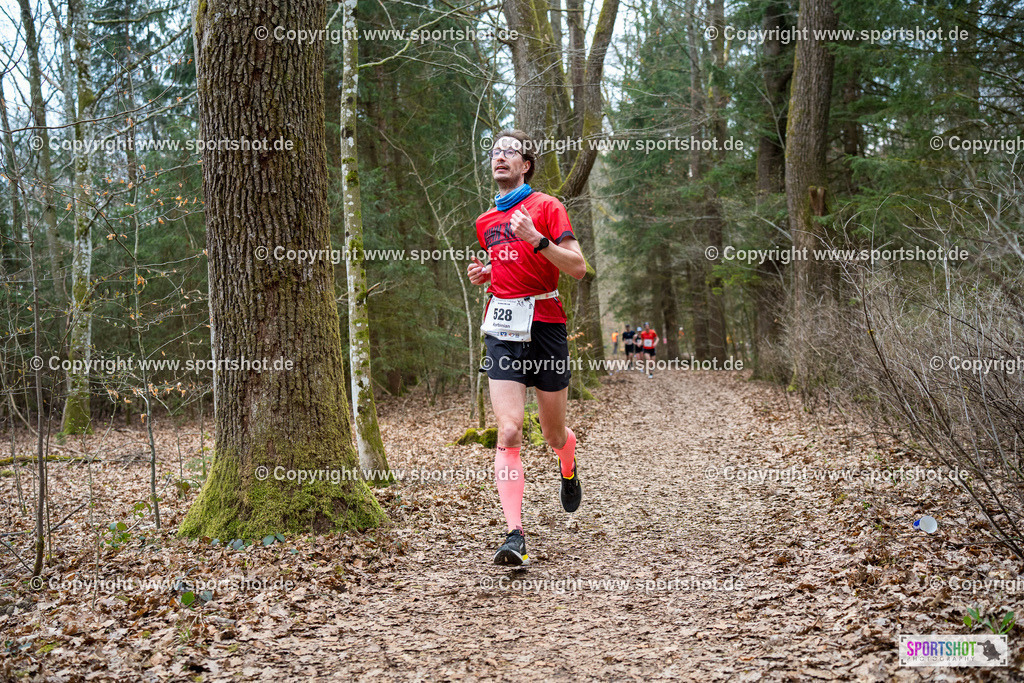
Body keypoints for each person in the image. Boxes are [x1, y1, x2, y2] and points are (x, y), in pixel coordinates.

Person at [467, 129, 587, 566]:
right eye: (495, 151)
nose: (500, 157)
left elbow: (577, 267)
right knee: (510, 429)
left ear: (526, 164)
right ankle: (515, 534)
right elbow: (507, 274)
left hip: (547, 325)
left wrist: (539, 239)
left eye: (510, 152)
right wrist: (487, 278)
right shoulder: (484, 222)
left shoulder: (548, 207)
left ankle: (568, 468)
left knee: (554, 434)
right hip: (502, 327)